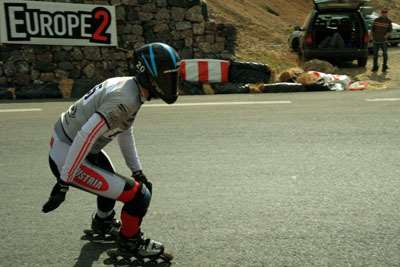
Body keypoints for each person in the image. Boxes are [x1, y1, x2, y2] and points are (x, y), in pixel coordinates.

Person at [42, 42, 180, 259]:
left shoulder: (130, 87)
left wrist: (137, 171)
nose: (171, 83)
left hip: (68, 145)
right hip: (67, 153)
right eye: (166, 77)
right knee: (139, 196)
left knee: (115, 181)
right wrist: (63, 182)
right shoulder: (125, 99)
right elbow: (85, 136)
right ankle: (130, 244)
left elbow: (124, 131)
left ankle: (103, 223)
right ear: (149, 74)